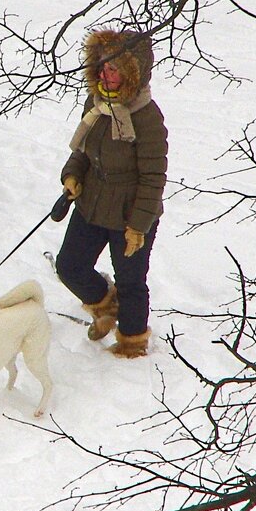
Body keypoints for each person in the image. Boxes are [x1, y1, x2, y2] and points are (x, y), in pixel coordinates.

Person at [55, 29, 168, 358]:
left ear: (133, 73)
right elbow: (83, 149)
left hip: (131, 215)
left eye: (114, 69)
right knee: (69, 266)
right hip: (92, 204)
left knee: (132, 282)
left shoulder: (148, 118)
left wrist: (139, 225)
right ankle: (107, 305)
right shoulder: (97, 102)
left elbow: (153, 178)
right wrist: (73, 175)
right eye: (102, 67)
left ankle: (132, 345)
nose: (105, 74)